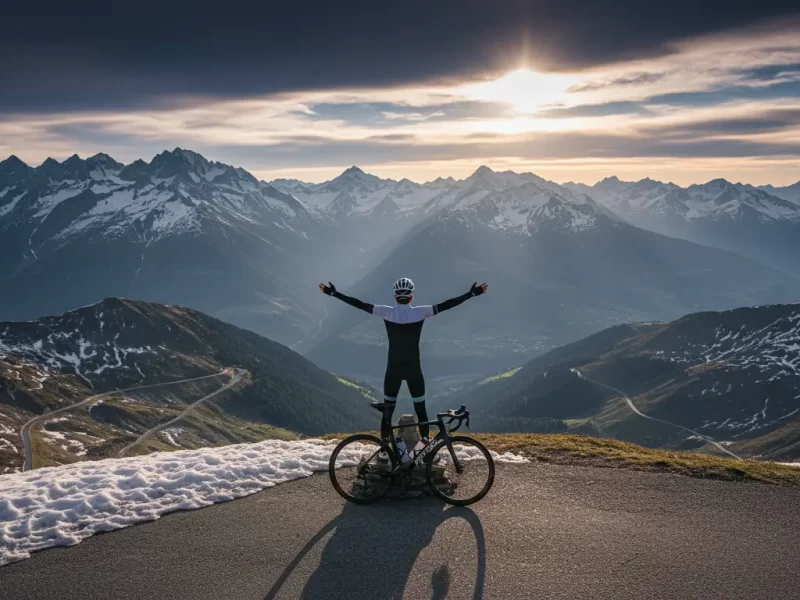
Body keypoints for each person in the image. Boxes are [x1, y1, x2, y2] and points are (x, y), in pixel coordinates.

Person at [319, 277, 488, 453]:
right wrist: (471, 294)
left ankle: (385, 452)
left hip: (393, 369)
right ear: (412, 296)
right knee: (421, 412)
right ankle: (424, 450)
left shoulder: (386, 312)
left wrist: (335, 293)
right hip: (414, 369)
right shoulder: (420, 312)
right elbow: (447, 305)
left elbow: (360, 304)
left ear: (395, 295)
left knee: (387, 414)